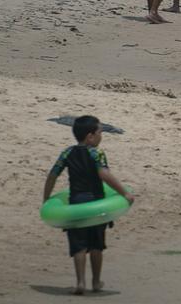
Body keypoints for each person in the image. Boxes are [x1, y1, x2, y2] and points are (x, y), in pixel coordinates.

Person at [42, 115, 135, 296]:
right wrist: (124, 192)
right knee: (96, 245)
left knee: (79, 245)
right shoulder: (96, 153)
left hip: (76, 203)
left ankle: (80, 282)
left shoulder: (67, 152)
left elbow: (52, 175)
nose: (102, 135)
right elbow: (104, 175)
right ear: (90, 136)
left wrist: (46, 198)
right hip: (96, 204)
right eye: (100, 132)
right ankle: (96, 281)